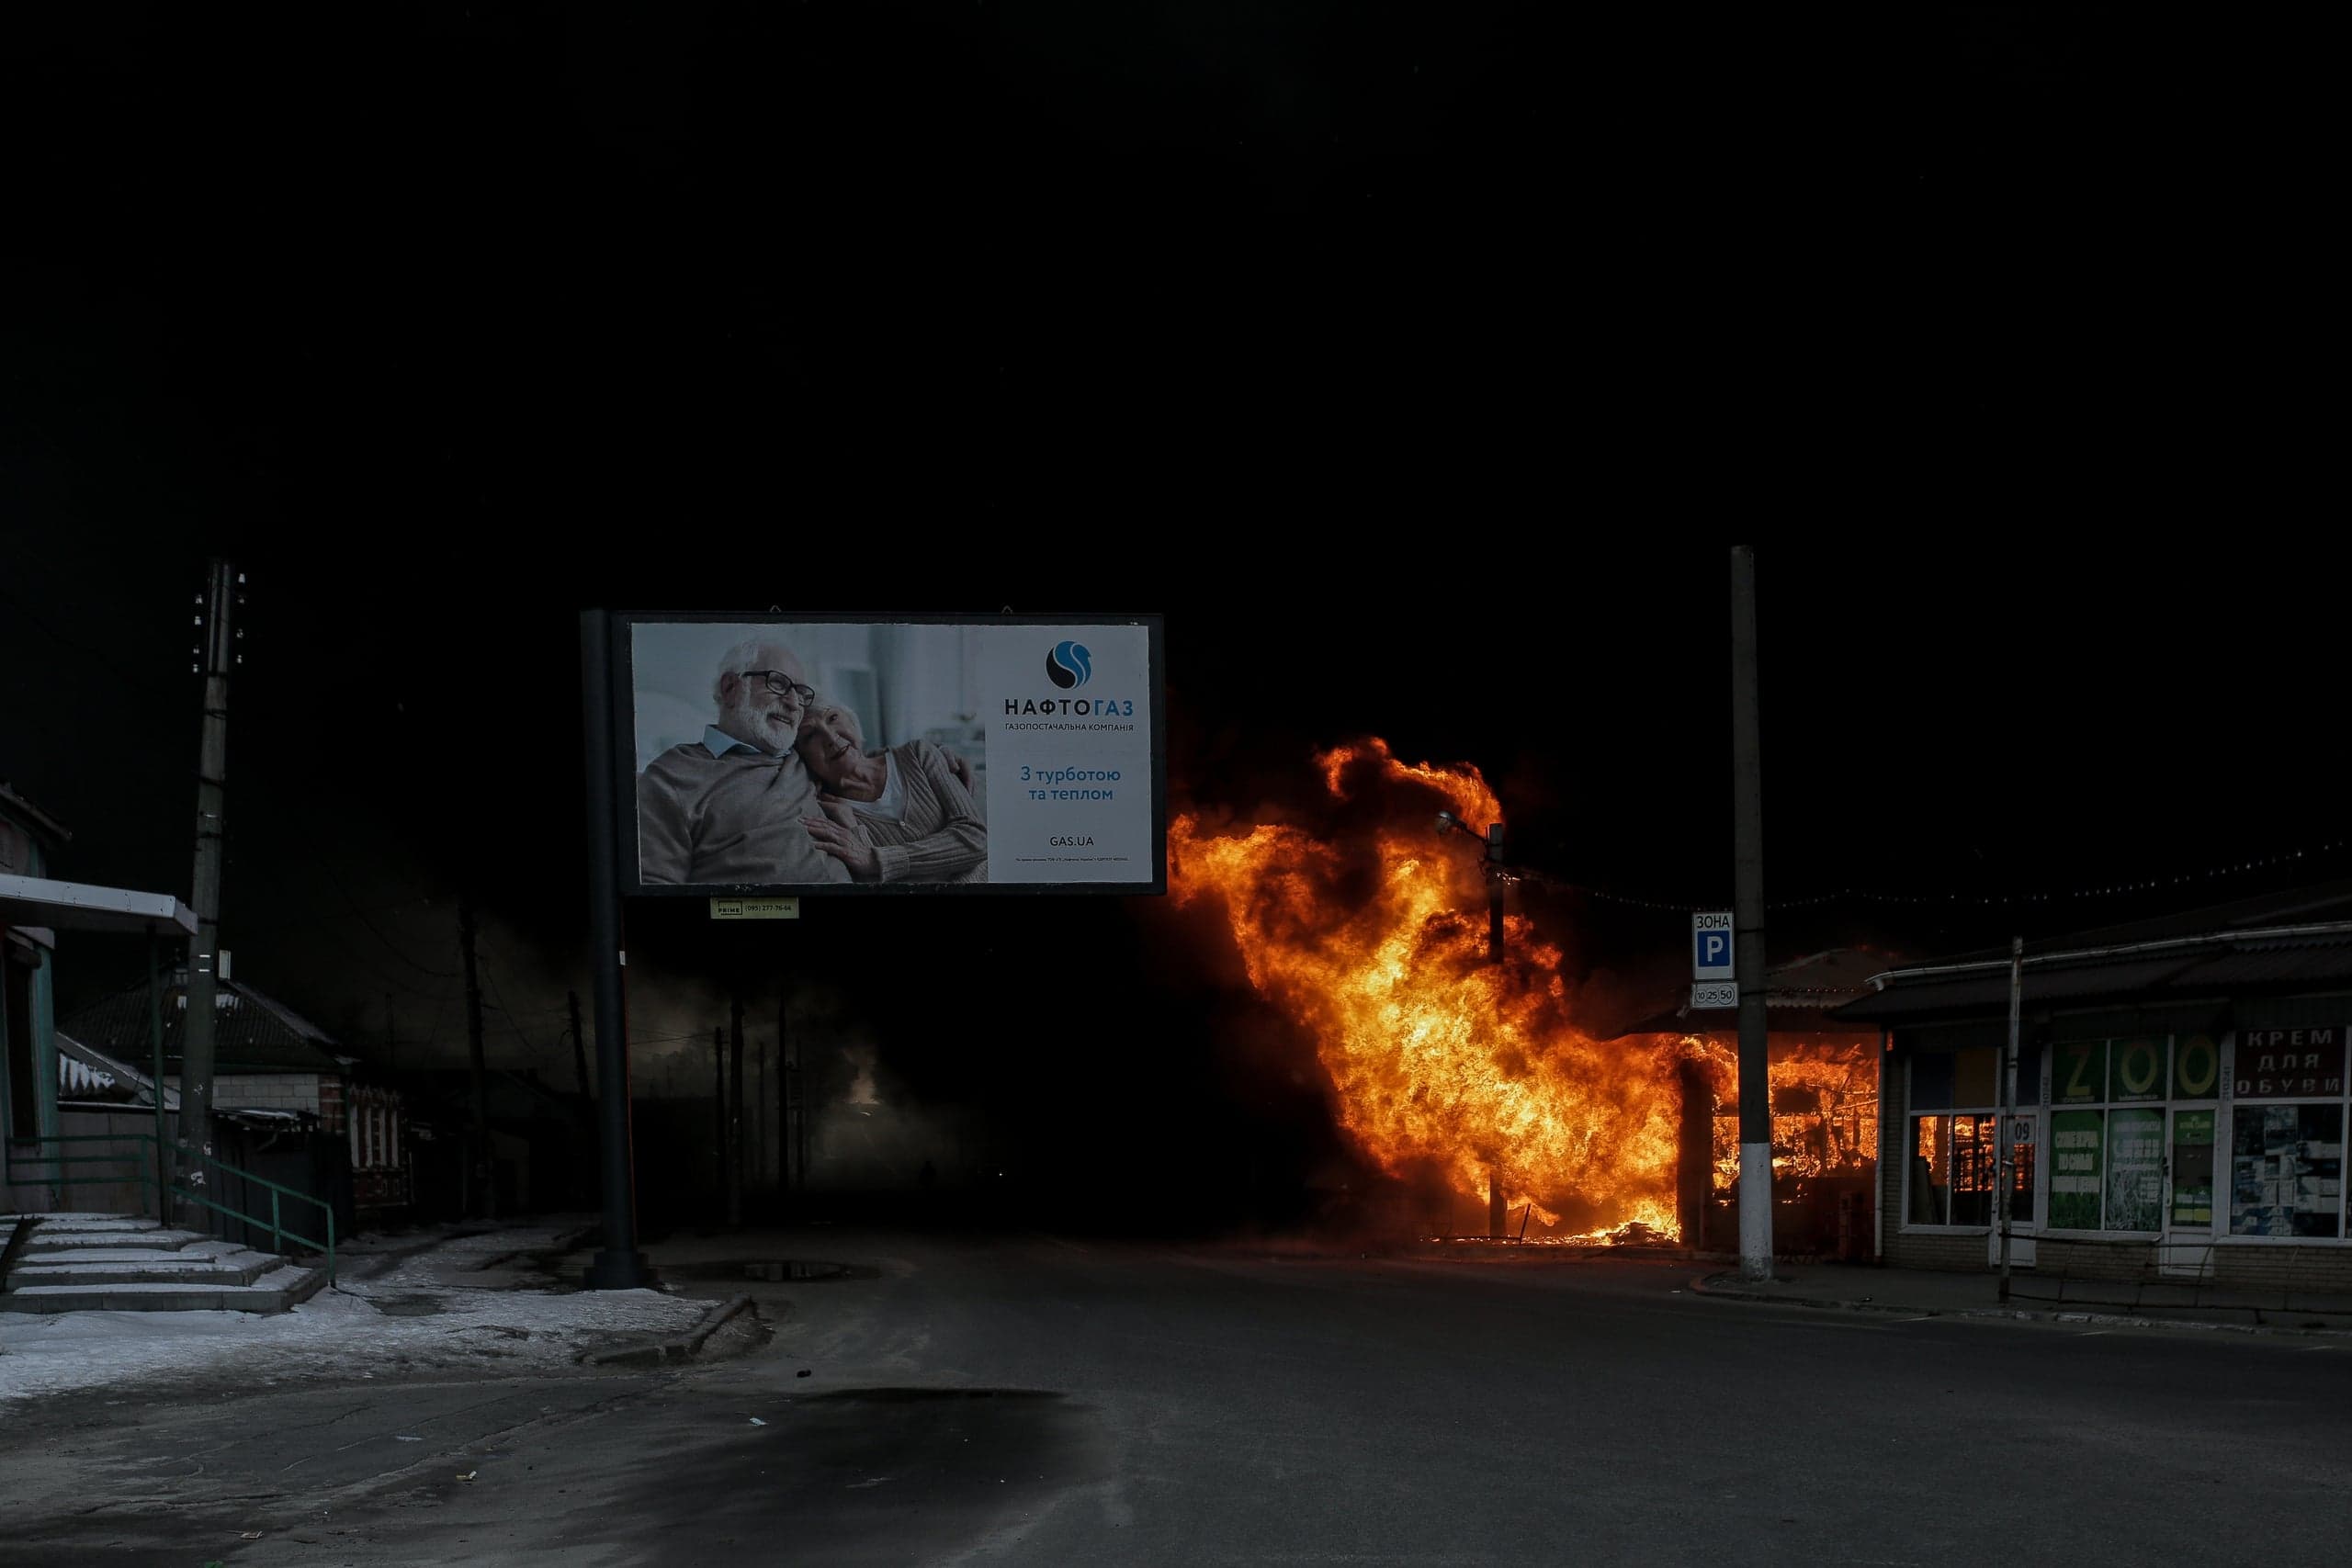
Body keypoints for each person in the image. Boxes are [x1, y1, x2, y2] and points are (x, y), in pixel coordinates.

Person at [636, 638, 851, 886]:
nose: (793, 704)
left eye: (801, 694)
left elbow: (863, 760)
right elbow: (655, 889)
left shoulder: (808, 756)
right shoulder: (671, 775)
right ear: (730, 688)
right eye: (778, 683)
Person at [794, 702, 988, 884]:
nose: (830, 737)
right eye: (811, 735)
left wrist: (877, 860)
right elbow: (876, 884)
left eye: (833, 718)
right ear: (802, 758)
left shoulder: (917, 754)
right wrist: (854, 829)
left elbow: (977, 839)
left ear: (852, 721)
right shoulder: (828, 813)